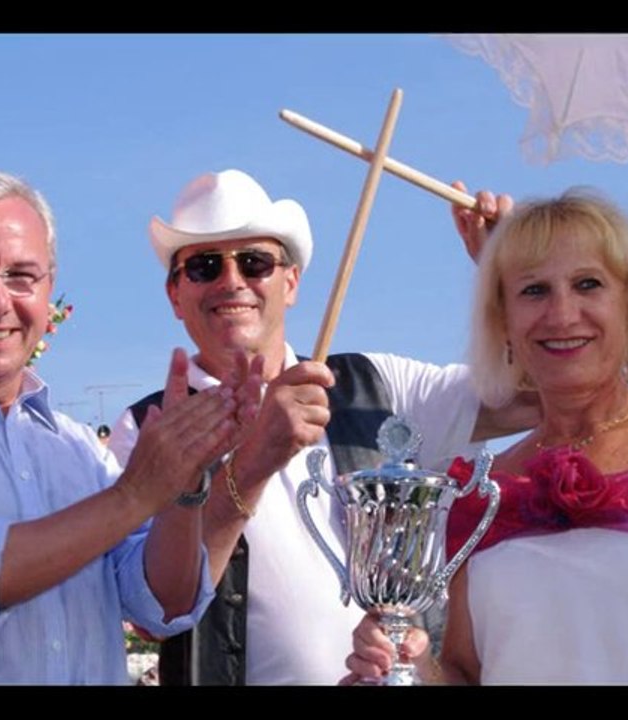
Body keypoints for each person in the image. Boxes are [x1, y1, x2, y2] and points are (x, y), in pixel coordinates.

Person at [0, 169, 261, 684]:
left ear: (48, 288)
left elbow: (160, 606)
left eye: (20, 275)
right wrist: (138, 493)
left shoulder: (75, 446)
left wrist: (186, 486)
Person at [108, 168, 539, 685]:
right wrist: (253, 462)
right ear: (176, 295)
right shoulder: (143, 428)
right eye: (203, 266)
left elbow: (538, 393)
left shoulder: (379, 384)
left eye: (254, 262)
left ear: (289, 282)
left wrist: (513, 277)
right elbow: (153, 609)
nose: (231, 281)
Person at [343, 187, 628, 685]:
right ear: (504, 321)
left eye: (588, 284)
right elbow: (467, 673)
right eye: (533, 290)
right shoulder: (482, 486)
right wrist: (413, 665)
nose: (561, 314)